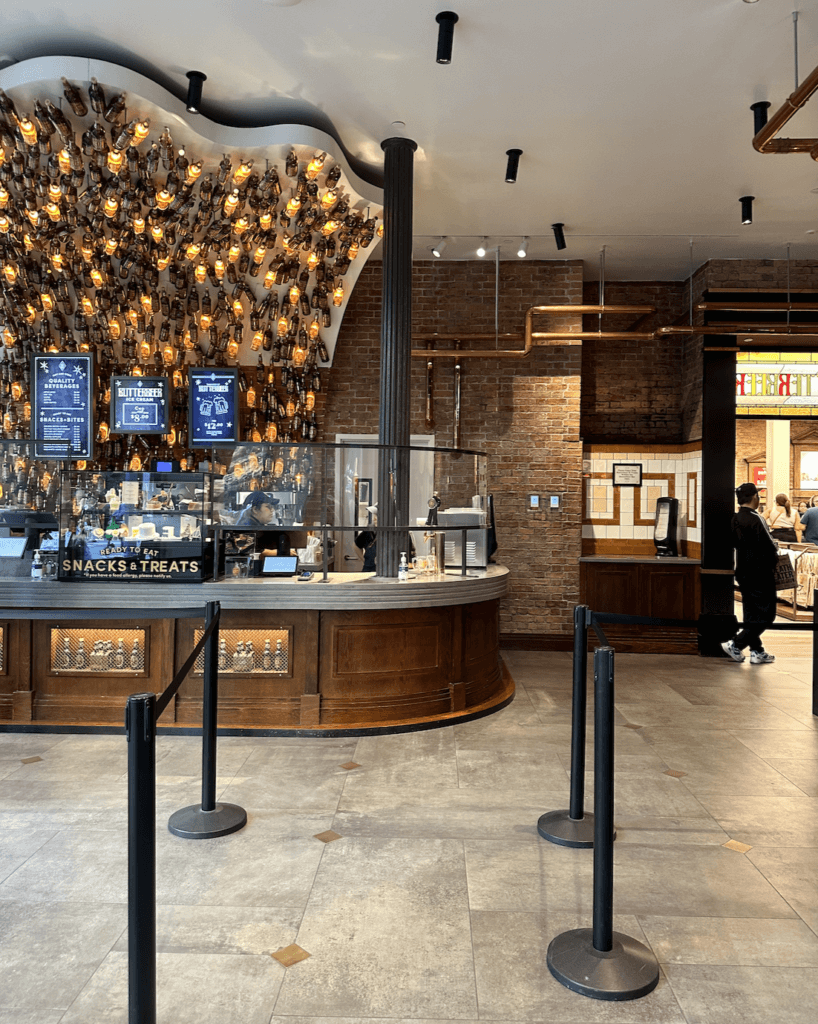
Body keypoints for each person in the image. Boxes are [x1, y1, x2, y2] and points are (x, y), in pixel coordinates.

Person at [721, 482, 778, 664]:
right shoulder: (756, 518)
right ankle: (736, 644)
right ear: (755, 497)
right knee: (767, 615)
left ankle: (757, 651)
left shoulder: (735, 518)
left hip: (743, 570)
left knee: (751, 613)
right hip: (761, 572)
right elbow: (769, 547)